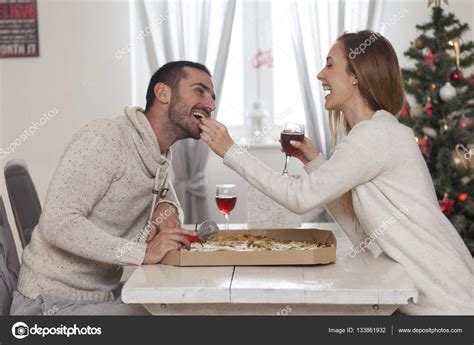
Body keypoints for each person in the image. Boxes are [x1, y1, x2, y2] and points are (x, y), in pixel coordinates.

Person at [199, 30, 473, 315]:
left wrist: (231, 151)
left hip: (448, 308)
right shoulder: (374, 132)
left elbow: (300, 198)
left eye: (330, 65)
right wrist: (315, 162)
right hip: (426, 303)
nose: (320, 74)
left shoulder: (375, 134)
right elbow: (361, 231)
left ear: (356, 75)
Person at [11, 61, 216, 315]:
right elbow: (58, 222)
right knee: (166, 319)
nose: (211, 105)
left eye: (213, 97)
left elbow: (169, 204)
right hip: (48, 304)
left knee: (181, 309)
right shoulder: (106, 138)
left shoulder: (158, 153)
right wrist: (141, 252)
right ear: (163, 93)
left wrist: (165, 207)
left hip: (99, 296)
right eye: (200, 90)